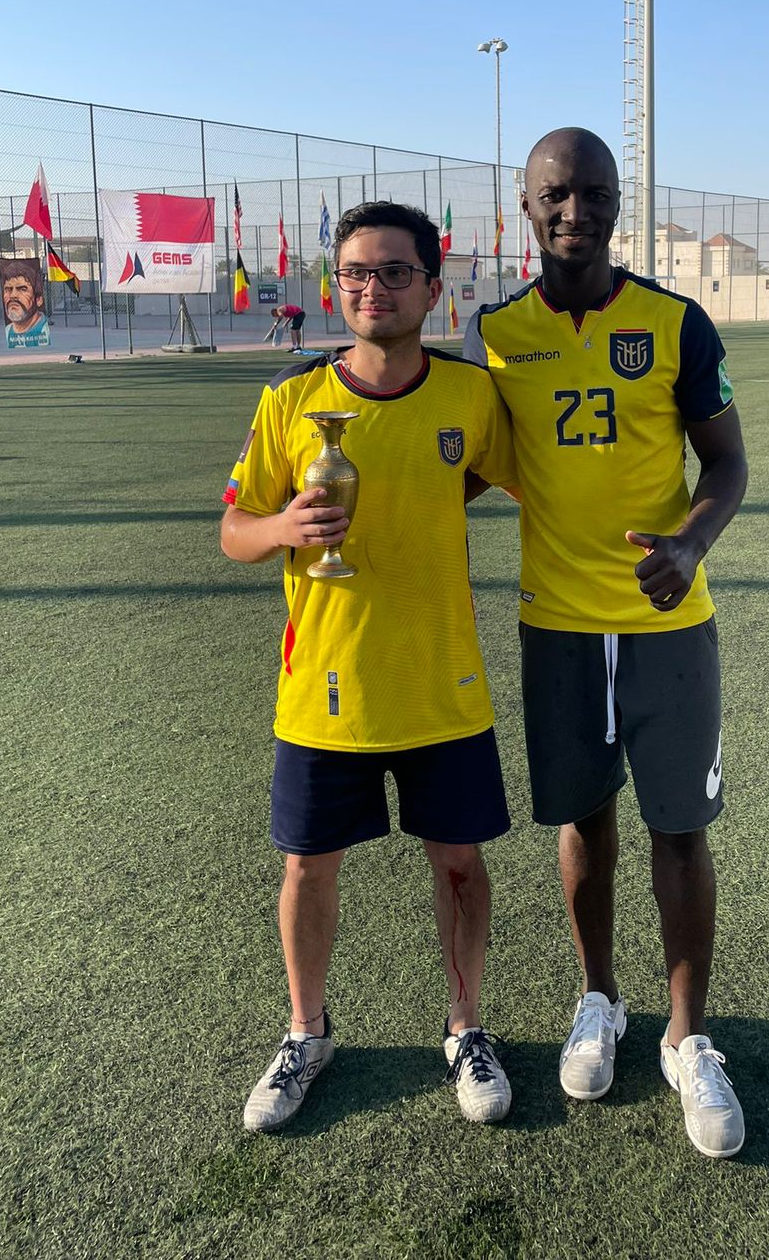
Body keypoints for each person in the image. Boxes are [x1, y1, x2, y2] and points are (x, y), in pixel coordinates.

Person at [462, 128, 749, 1160]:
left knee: (680, 826)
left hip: (670, 623)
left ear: (617, 203)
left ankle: (688, 1034)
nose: (573, 208)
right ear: (525, 207)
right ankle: (599, 1001)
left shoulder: (676, 323)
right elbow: (461, 456)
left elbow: (726, 461)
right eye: (555, 193)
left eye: (593, 192)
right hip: (558, 626)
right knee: (582, 821)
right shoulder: (496, 334)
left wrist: (692, 539)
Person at [222, 200, 516, 1133]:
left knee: (460, 864)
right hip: (326, 687)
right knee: (308, 869)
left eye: (394, 271)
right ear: (333, 285)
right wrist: (281, 529)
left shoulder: (472, 397)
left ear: (434, 286)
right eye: (355, 271)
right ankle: (307, 1031)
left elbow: (506, 477)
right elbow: (233, 530)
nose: (372, 287)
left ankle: (465, 1026)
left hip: (442, 679)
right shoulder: (291, 400)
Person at [0, 257, 49, 347]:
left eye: (22, 289)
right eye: (8, 289)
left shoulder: (45, 332)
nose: (13, 295)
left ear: (38, 299)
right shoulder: (7, 331)